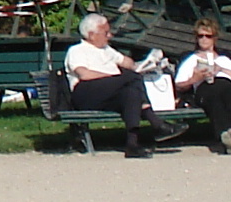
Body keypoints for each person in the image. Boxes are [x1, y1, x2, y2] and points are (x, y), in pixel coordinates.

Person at [64, 12, 179, 160]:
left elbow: (128, 63)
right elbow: (84, 74)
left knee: (131, 93)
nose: (110, 36)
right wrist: (117, 78)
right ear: (92, 35)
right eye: (106, 33)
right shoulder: (77, 50)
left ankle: (132, 145)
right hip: (86, 92)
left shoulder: (106, 50)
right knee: (131, 79)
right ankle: (156, 123)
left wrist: (146, 63)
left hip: (109, 93)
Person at [172, 22, 231, 154]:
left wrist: (220, 69)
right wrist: (195, 79)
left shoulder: (224, 58)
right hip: (206, 89)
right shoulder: (191, 59)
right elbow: (179, 84)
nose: (203, 39)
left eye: (208, 36)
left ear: (214, 38)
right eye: (200, 36)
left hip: (229, 87)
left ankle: (230, 133)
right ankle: (228, 133)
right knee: (214, 95)